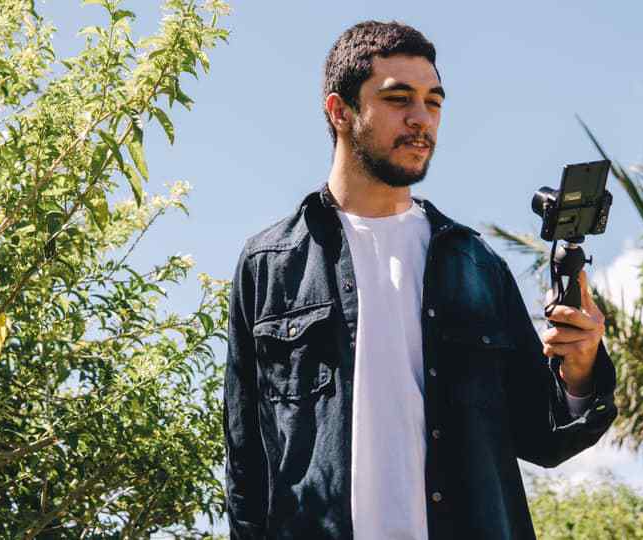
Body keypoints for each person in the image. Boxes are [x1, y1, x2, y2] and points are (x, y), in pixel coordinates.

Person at [224, 20, 617, 540]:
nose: (421, 119)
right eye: (398, 99)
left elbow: (544, 436)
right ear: (339, 112)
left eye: (433, 101)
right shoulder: (269, 265)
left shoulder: (475, 265)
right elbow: (246, 467)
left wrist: (581, 368)